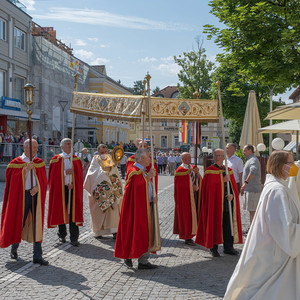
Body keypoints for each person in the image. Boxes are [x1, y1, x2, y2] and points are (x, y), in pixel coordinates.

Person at [224, 150, 300, 300]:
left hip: (274, 250)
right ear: (280, 165)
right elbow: (285, 231)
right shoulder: (277, 191)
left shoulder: (277, 186)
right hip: (275, 254)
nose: (293, 166)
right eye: (290, 163)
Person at [0, 139, 48, 265]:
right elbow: (12, 183)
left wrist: (38, 187)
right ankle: (14, 248)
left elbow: (43, 181)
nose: (36, 149)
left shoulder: (39, 163)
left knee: (37, 224)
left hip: (35, 195)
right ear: (25, 147)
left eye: (37, 147)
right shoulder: (15, 163)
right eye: (33, 147)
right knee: (19, 222)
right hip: (22, 196)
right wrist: (25, 171)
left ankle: (37, 255)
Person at [115, 148, 158, 270]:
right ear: (142, 158)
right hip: (136, 209)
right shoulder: (134, 171)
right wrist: (148, 177)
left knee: (146, 233)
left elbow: (145, 187)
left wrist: (152, 197)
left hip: (145, 206)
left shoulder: (142, 171)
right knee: (135, 231)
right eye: (148, 157)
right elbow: (136, 188)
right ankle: (130, 256)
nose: (150, 159)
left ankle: (143, 260)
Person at [195, 149, 243, 257]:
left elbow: (234, 188)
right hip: (215, 203)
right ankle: (214, 248)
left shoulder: (229, 170)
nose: (218, 158)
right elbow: (209, 189)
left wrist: (232, 195)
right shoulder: (209, 171)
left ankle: (228, 247)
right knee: (215, 223)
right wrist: (223, 180)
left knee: (228, 225)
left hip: (227, 202)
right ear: (213, 157)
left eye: (220, 155)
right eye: (216, 155)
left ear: (224, 157)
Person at [48, 138, 83, 246]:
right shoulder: (56, 159)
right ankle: (62, 234)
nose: (69, 146)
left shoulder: (76, 159)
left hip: (72, 188)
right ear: (62, 146)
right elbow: (53, 176)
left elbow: (79, 176)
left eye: (70, 144)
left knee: (73, 212)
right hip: (61, 188)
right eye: (67, 144)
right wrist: (64, 173)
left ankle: (74, 238)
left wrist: (74, 183)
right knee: (61, 211)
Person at [84, 144, 123, 239]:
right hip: (99, 188)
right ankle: (99, 231)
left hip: (112, 188)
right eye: (102, 152)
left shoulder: (110, 159)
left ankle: (114, 230)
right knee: (99, 210)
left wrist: (111, 178)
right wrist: (103, 175)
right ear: (98, 152)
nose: (104, 154)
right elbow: (91, 173)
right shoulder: (95, 160)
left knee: (113, 211)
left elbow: (115, 172)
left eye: (105, 152)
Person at [173, 152, 202, 246]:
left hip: (194, 195)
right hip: (185, 197)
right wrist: (191, 187)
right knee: (187, 216)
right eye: (188, 158)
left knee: (195, 214)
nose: (190, 160)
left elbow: (197, 178)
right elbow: (180, 186)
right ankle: (187, 236)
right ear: (182, 159)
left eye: (190, 158)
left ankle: (195, 233)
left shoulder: (192, 168)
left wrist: (197, 174)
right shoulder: (180, 170)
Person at [240, 144, 262, 226]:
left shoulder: (253, 160)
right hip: (251, 190)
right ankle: (252, 228)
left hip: (253, 190)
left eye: (245, 150)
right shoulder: (250, 159)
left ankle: (253, 230)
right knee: (251, 211)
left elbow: (253, 171)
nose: (243, 152)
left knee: (253, 211)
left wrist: (245, 183)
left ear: (250, 150)